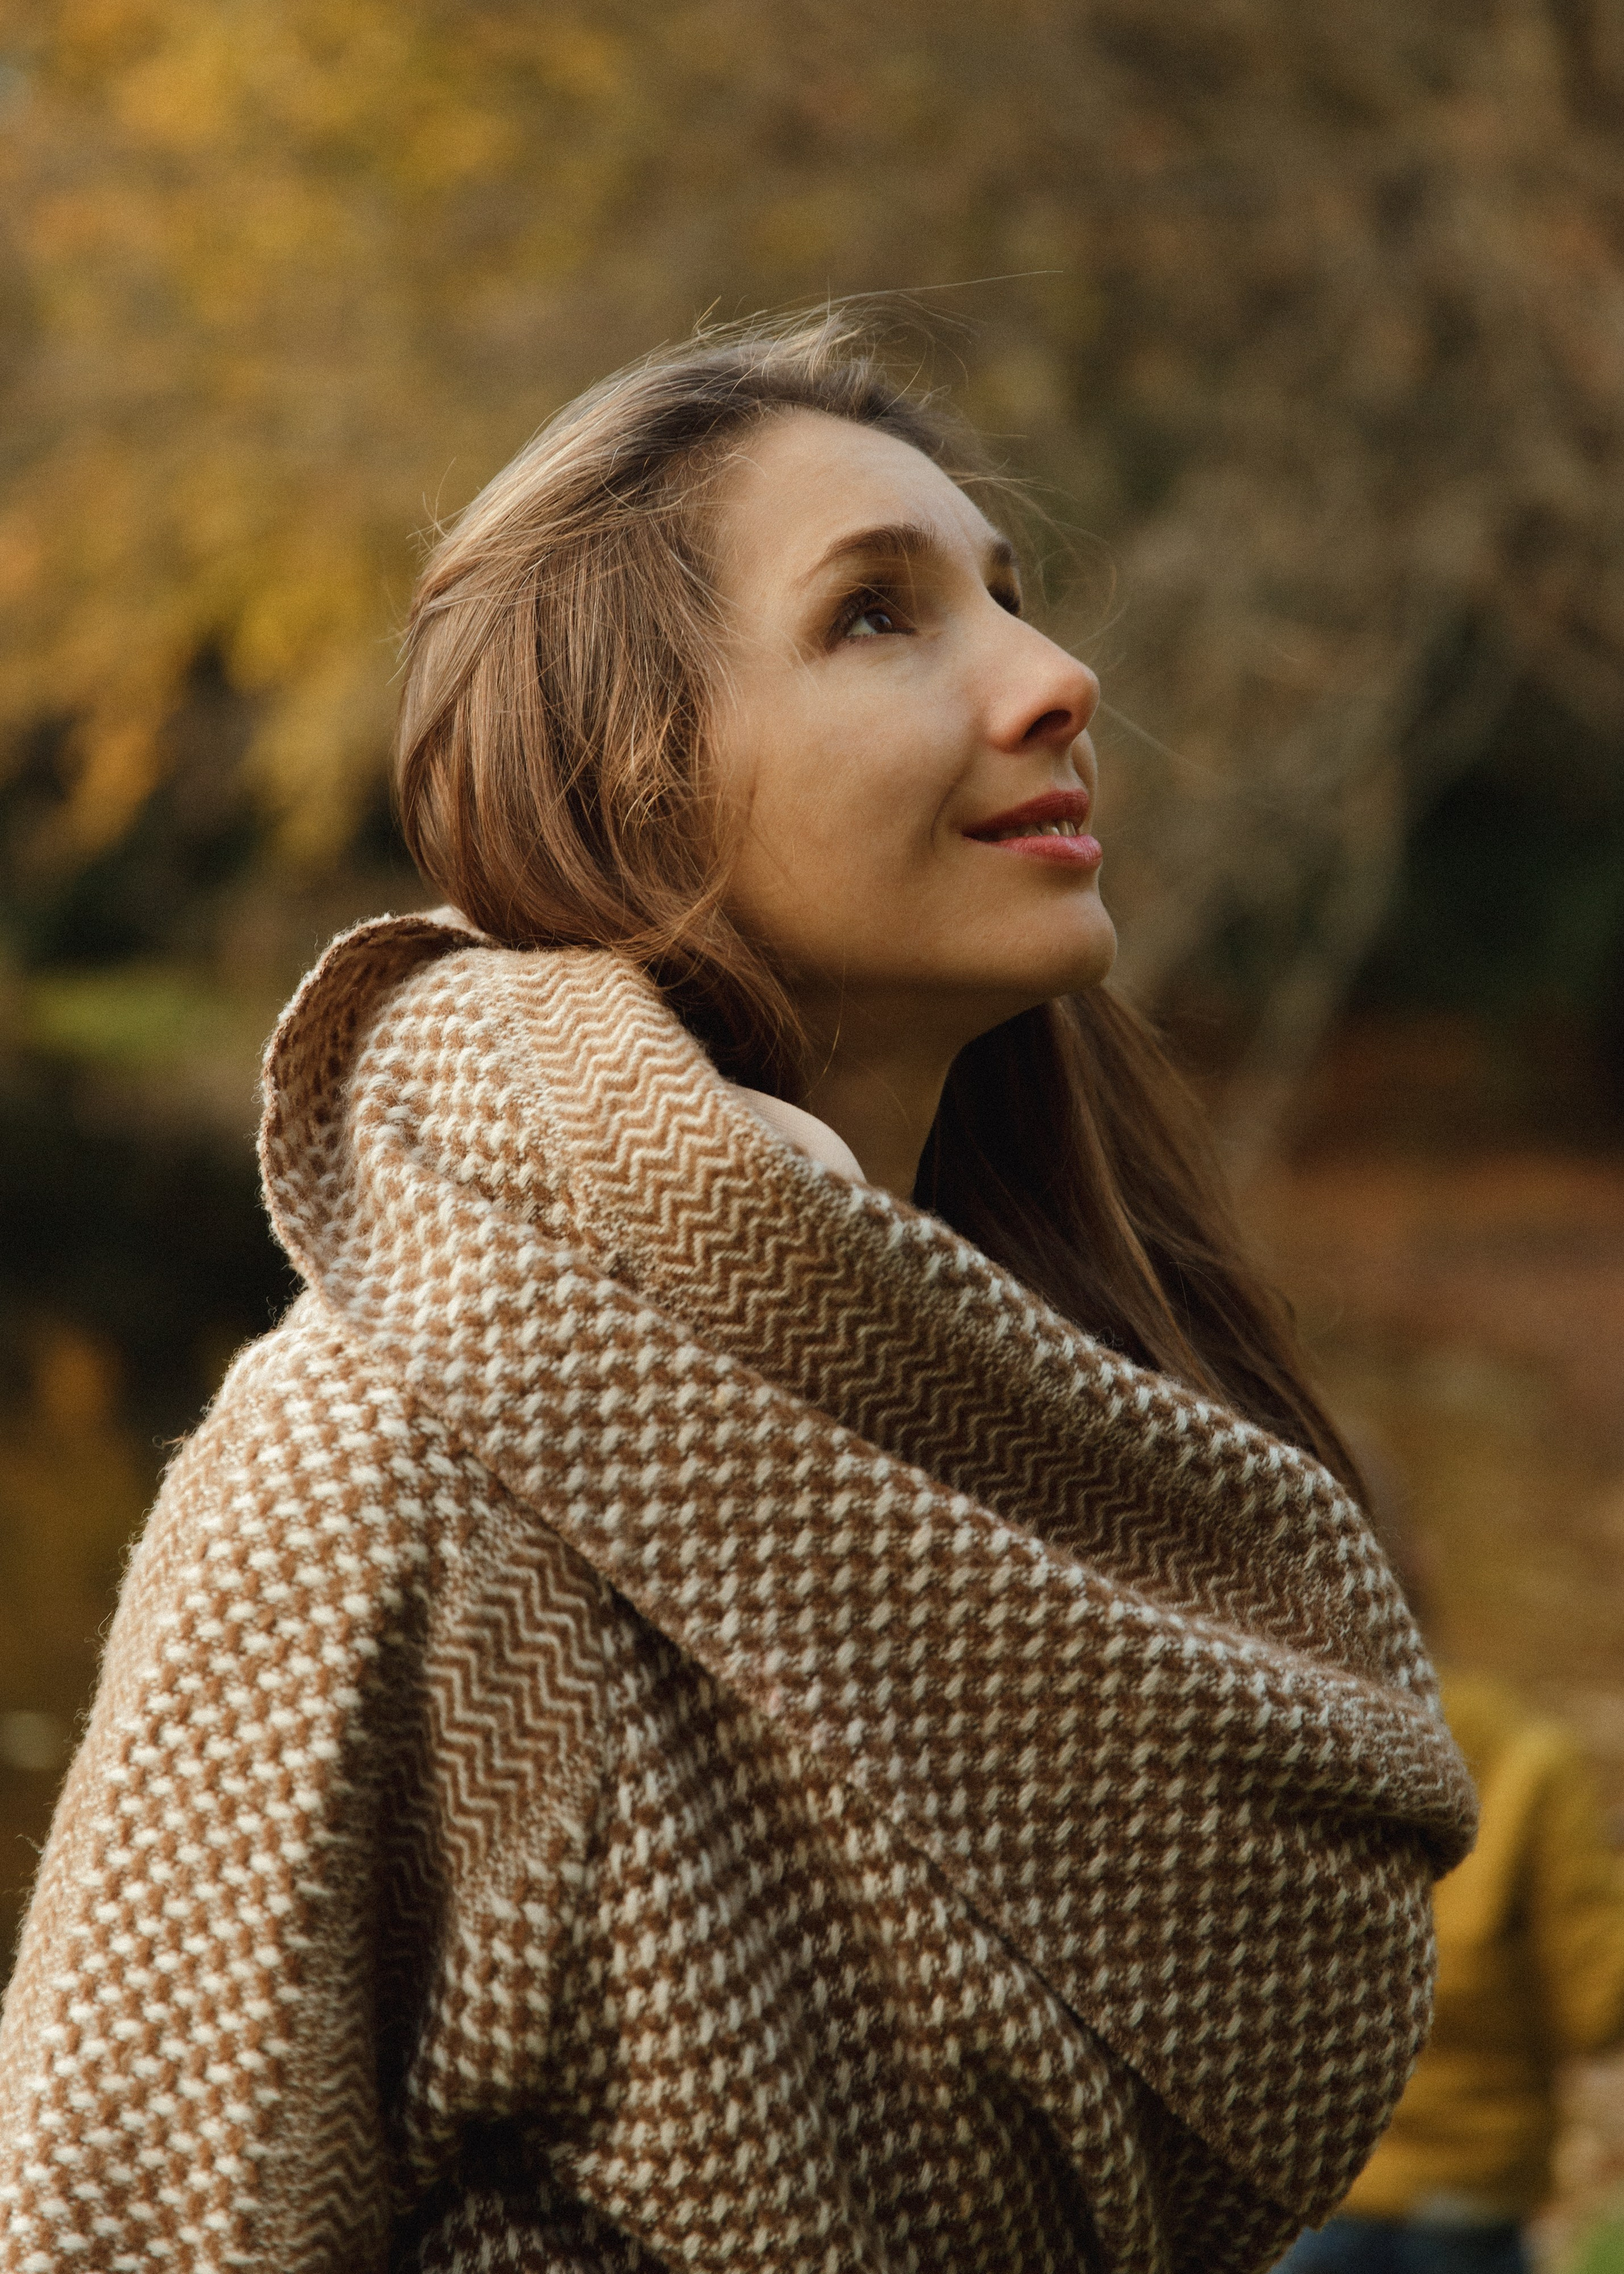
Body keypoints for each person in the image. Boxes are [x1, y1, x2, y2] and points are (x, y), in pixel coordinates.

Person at [0, 313, 1476, 2274]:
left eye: (1008, 596)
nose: (1057, 677)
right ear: (636, 783)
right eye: (876, 614)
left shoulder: (1089, 1410)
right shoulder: (383, 1469)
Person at [1274, 1666, 1624, 2274]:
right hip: (1467, 2185)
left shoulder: (1304, 1737)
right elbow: (1595, 2008)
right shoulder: (1529, 1763)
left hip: (1315, 2167)